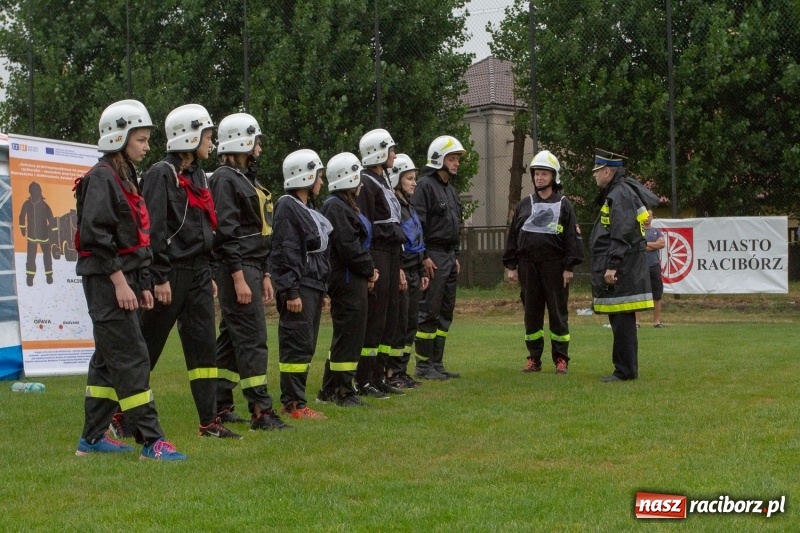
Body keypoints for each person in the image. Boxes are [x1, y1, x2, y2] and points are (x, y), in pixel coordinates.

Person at [73, 99, 186, 460]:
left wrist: (143, 285)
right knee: (133, 358)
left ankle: (91, 440)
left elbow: (133, 237)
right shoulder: (102, 177)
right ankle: (152, 441)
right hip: (108, 282)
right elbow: (95, 237)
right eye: (141, 139)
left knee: (108, 361)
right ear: (119, 137)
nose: (147, 146)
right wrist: (122, 283)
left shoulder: (124, 175)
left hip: (126, 279)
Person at [137, 104, 240, 439]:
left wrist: (208, 272)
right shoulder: (159, 174)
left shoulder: (197, 175)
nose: (211, 143)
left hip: (197, 272)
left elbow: (202, 227)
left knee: (203, 348)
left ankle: (208, 423)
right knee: (147, 347)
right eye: (207, 136)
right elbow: (153, 229)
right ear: (189, 136)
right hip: (171, 273)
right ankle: (123, 415)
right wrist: (160, 276)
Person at [210, 113, 290, 431]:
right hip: (239, 267)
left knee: (232, 339)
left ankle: (219, 405)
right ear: (242, 141)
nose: (260, 149)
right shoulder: (224, 179)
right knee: (253, 338)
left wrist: (266, 273)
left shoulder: (247, 180)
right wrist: (238, 275)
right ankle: (261, 411)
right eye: (256, 142)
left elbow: (260, 231)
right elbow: (225, 234)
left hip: (254, 266)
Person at [503, 150, 584, 374]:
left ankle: (561, 359)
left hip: (555, 266)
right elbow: (513, 235)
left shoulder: (564, 204)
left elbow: (572, 238)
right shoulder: (524, 204)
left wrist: (569, 267)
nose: (539, 178)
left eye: (544, 174)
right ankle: (534, 358)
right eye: (537, 174)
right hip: (528, 266)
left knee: (558, 313)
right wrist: (511, 265)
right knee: (532, 314)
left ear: (554, 177)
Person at [589, 149, 660, 382]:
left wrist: (612, 265)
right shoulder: (622, 191)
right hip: (626, 265)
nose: (594, 176)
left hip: (622, 267)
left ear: (607, 171)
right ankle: (623, 369)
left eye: (596, 172)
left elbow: (621, 233)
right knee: (620, 319)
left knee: (622, 321)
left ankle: (625, 371)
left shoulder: (619, 194)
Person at [271, 149, 331, 419]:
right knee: (296, 342)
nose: (321, 181)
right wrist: (291, 291)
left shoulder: (307, 207)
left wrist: (323, 289)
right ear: (304, 176)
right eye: (318, 176)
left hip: (312, 285)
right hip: (299, 287)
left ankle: (296, 400)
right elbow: (287, 251)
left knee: (306, 343)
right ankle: (293, 404)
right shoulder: (288, 206)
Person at [317, 152, 378, 407]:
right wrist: (369, 270)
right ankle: (344, 391)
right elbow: (348, 247)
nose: (360, 183)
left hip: (352, 277)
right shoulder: (336, 206)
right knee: (349, 335)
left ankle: (330, 389)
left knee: (346, 335)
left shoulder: (341, 205)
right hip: (347, 279)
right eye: (356, 177)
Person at [355, 129, 406, 398]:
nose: (394, 155)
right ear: (378, 152)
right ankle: (364, 379)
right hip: (378, 253)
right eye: (391, 150)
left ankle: (378, 375)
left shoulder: (383, 181)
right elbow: (365, 227)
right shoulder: (365, 182)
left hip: (392, 254)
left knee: (389, 318)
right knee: (374, 320)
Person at [412, 135, 466, 380]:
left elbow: (455, 226)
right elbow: (417, 225)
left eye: (456, 159)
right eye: (452, 158)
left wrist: (454, 255)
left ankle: (437, 363)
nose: (456, 163)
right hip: (432, 254)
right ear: (438, 160)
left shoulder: (451, 191)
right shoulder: (424, 186)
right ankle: (423, 366)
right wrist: (423, 257)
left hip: (447, 256)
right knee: (429, 311)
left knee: (445, 312)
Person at [386, 154, 428, 388]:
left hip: (414, 269)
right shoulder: (394, 207)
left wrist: (422, 269)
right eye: (409, 178)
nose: (414, 183)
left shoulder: (409, 206)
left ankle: (401, 369)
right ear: (396, 179)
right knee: (399, 323)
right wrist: (399, 269)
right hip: (402, 271)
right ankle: (391, 372)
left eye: (415, 178)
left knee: (411, 323)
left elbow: (417, 240)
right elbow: (396, 242)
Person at [18, 181, 56, 286]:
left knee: (47, 255)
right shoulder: (27, 204)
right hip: (32, 236)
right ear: (30, 192)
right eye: (33, 191)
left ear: (40, 191)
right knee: (31, 257)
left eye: (36, 191)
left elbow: (51, 218)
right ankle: (30, 277)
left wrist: (53, 232)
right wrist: (22, 228)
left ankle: (49, 276)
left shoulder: (44, 205)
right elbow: (22, 216)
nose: (34, 193)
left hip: (44, 236)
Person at [635, 210, 666, 328]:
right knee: (638, 294)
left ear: (652, 217)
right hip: (639, 266)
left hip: (654, 266)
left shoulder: (657, 232)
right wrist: (653, 245)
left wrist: (646, 244)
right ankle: (637, 322)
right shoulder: (637, 232)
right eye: (645, 216)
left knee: (657, 295)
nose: (647, 218)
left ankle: (657, 322)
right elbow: (638, 246)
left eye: (649, 216)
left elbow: (661, 244)